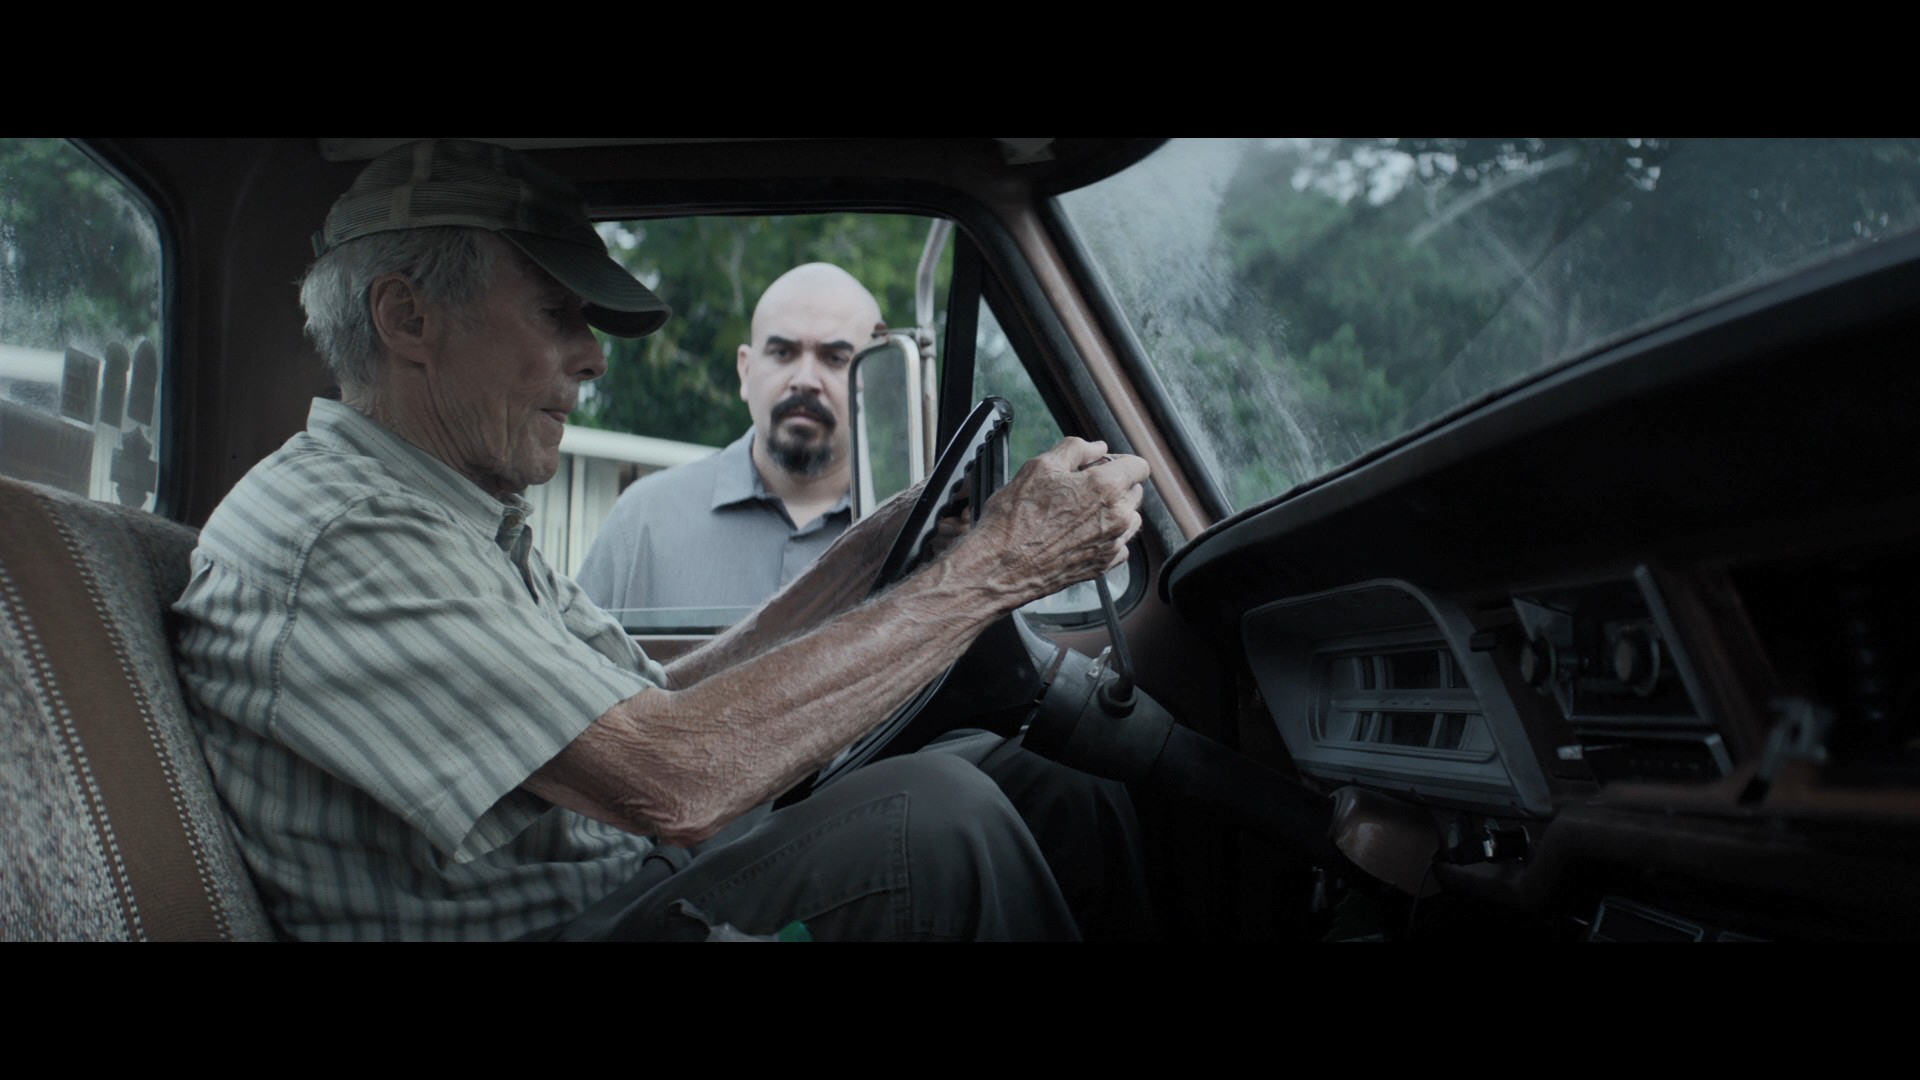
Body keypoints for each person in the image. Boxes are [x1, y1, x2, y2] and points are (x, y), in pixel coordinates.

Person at [172, 138, 1154, 941]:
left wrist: (870, 554)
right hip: (566, 923)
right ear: (407, 316)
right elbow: (677, 777)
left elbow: (652, 705)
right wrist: (992, 571)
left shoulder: (445, 513)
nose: (593, 358)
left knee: (1032, 781)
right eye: (557, 314)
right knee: (934, 823)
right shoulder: (352, 536)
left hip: (623, 887)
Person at [574, 263, 876, 612]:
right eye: (782, 353)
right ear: (746, 370)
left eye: (835, 358)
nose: (805, 380)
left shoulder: (915, 533)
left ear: (875, 377)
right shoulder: (642, 523)